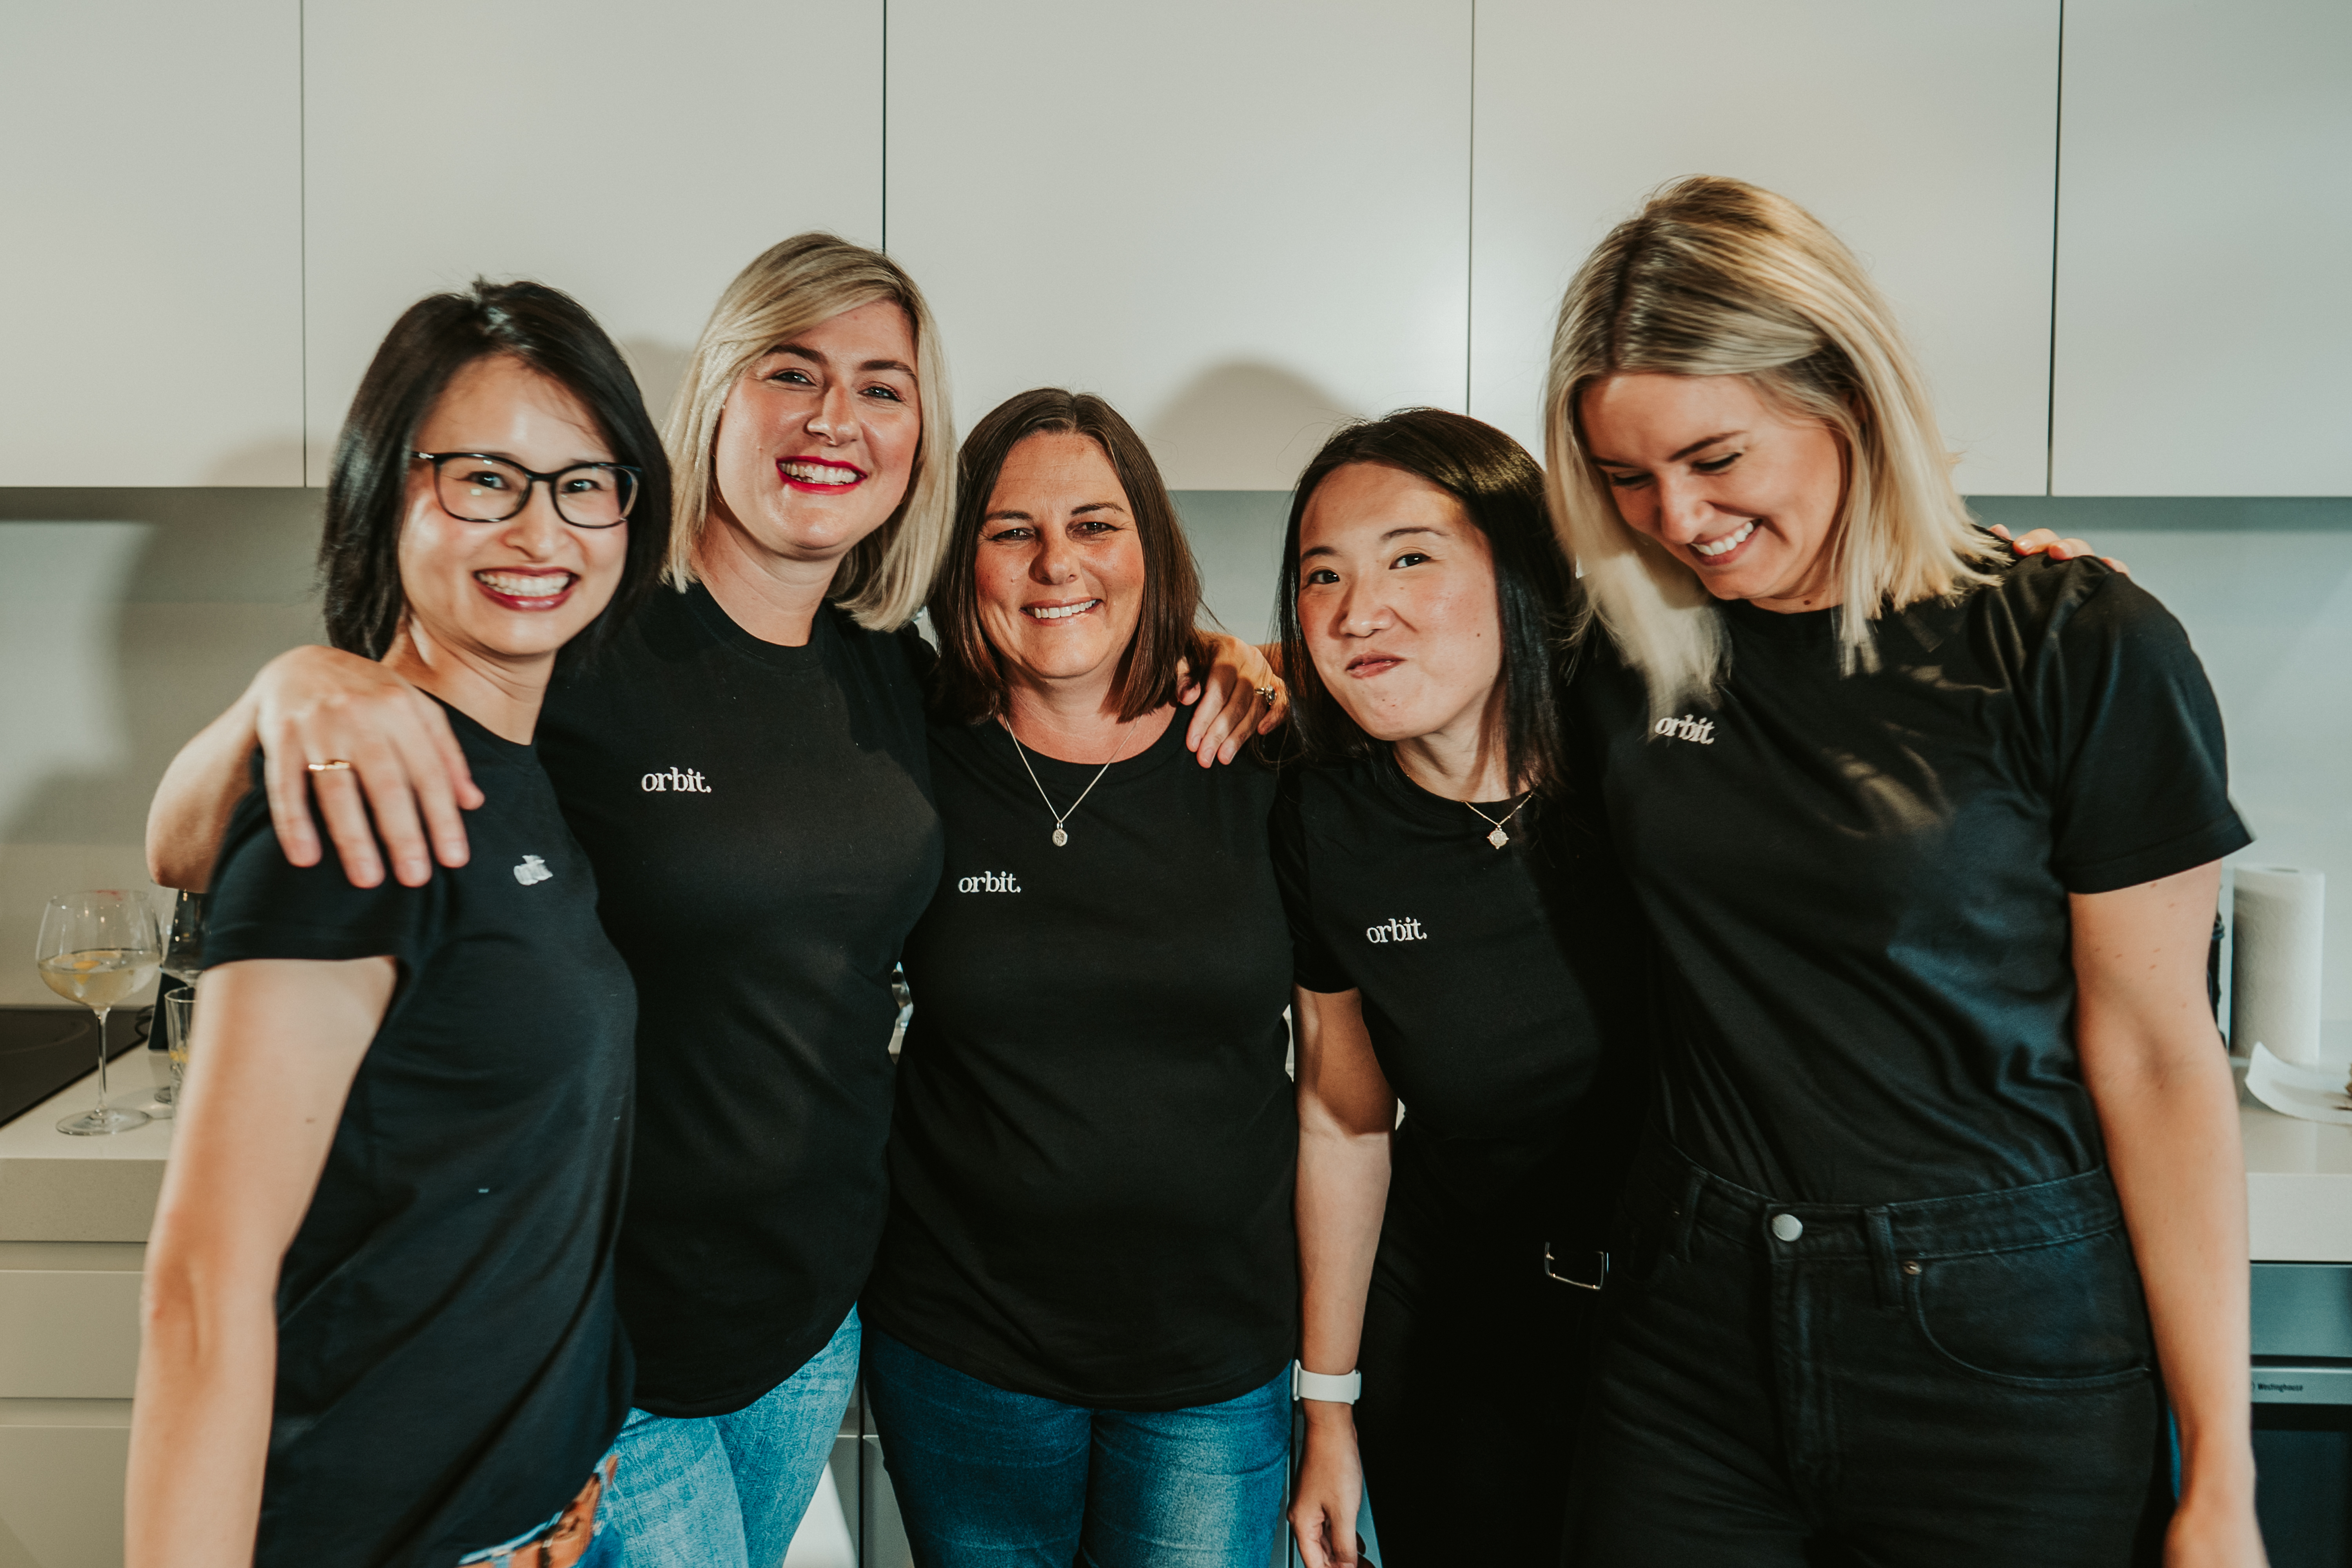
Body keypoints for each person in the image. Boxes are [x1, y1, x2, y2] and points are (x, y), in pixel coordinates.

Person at [145, 237, 1281, 1568]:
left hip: (812, 1332)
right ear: (715, 404)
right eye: (790, 371)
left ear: (921, 434)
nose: (834, 419)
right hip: (617, 1345)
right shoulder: (581, 626)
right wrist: (297, 683)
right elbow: (192, 843)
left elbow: (1060, 671)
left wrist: (1206, 646)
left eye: (882, 386)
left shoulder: (887, 675)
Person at [1544, 176, 2261, 1566]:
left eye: (1716, 459)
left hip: (2002, 1343)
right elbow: (1391, 657)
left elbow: (2164, 1058)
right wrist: (1219, 669)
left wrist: (2219, 1475)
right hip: (1694, 1327)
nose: (1674, 517)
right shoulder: (1628, 647)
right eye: (1626, 477)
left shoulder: (2072, 644)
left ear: (1846, 394)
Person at [127, 280, 666, 1568]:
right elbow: (203, 1293)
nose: (541, 530)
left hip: (550, 1519)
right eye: (486, 478)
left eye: (585, 484)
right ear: (387, 491)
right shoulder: (352, 792)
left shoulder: (512, 758)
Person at [858, 390, 1297, 1568]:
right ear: (964, 560)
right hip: (965, 1351)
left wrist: (1248, 658)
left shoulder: (1254, 750)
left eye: (1097, 525)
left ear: (1151, 544)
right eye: (1011, 532)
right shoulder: (908, 745)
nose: (1058, 564)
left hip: (1213, 1362)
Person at [1267, 408, 1650, 1567]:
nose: (1354, 610)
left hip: (1689, 1337)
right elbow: (1344, 1116)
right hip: (1460, 1340)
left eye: (1411, 558)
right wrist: (1326, 1404)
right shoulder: (1323, 821)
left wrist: (2014, 591)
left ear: (1522, 567)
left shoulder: (1651, 745)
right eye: (1321, 574)